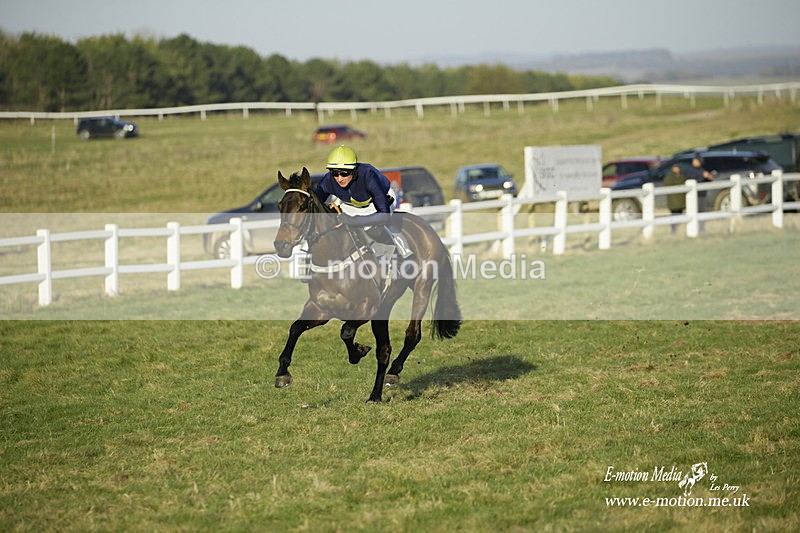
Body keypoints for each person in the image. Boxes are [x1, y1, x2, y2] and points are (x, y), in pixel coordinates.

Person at [314, 145, 413, 257]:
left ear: (353, 171)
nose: (339, 179)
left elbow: (383, 214)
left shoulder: (368, 176)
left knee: (371, 228)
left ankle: (399, 253)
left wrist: (354, 220)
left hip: (381, 201)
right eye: (335, 174)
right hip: (352, 205)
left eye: (344, 173)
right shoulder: (328, 180)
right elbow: (314, 204)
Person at [684, 153, 714, 232]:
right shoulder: (690, 170)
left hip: (702, 194)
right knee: (694, 211)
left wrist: (709, 177)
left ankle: (702, 228)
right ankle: (694, 229)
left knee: (703, 212)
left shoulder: (701, 169)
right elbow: (690, 180)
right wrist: (702, 176)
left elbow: (707, 180)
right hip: (694, 196)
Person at [664, 164, 685, 233]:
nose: (676, 169)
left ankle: (677, 228)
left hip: (681, 200)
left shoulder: (682, 175)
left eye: (677, 168)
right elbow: (667, 184)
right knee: (674, 215)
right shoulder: (670, 176)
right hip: (673, 201)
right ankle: (673, 229)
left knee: (679, 215)